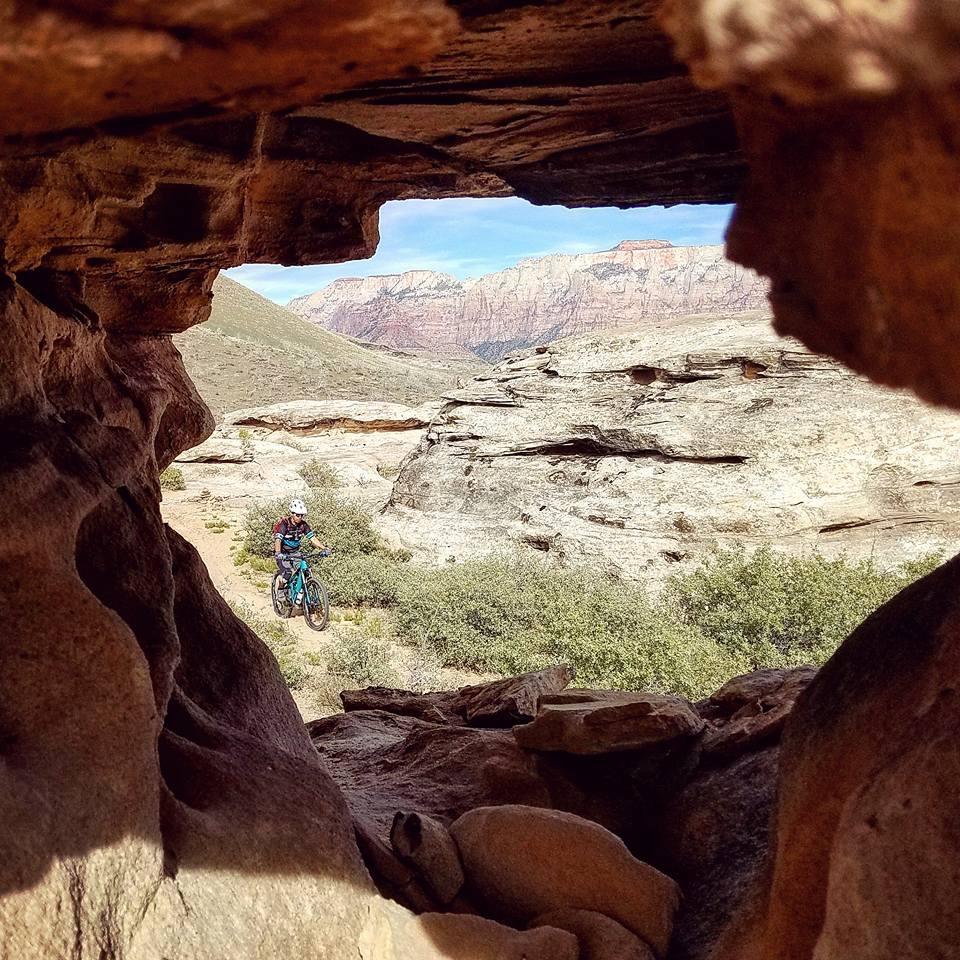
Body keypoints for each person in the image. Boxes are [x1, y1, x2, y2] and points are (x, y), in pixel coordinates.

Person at [273, 498, 320, 587]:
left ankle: (300, 593)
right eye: (298, 515)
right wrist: (278, 553)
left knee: (305, 571)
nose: (300, 517)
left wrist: (324, 548)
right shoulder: (284, 524)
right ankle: (280, 591)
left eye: (302, 515)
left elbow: (313, 538)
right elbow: (278, 539)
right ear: (292, 514)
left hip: (295, 552)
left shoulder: (303, 525)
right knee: (287, 574)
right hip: (283, 553)